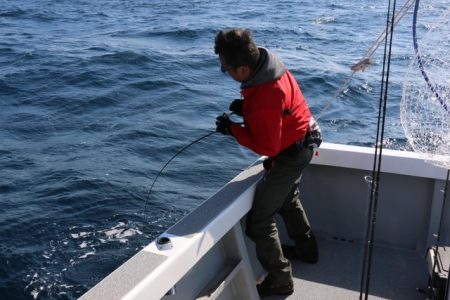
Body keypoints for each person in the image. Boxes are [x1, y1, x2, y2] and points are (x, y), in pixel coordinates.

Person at [213, 28, 321, 297]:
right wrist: (245, 109)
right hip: (304, 142)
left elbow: (266, 146)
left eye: (225, 68)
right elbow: (279, 111)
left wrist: (232, 129)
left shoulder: (265, 94)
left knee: (258, 223)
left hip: (290, 154)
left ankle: (280, 279)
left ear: (241, 69)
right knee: (287, 198)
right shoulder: (269, 63)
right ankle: (307, 249)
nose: (225, 71)